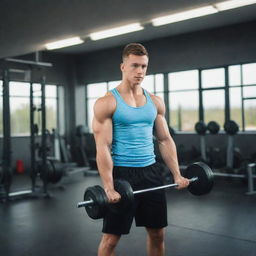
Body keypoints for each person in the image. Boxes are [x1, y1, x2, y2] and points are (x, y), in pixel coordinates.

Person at [92, 43, 189, 256]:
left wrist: (177, 173)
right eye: (134, 65)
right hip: (123, 174)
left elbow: (164, 139)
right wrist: (108, 187)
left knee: (157, 234)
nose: (140, 71)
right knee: (111, 239)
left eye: (144, 66)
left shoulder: (155, 102)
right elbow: (103, 147)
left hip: (151, 172)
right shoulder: (107, 102)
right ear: (123, 66)